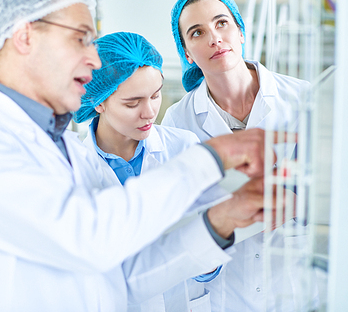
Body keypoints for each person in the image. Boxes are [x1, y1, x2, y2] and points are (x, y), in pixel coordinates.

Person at [0, 0, 282, 311]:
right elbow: (88, 236)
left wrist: (221, 222)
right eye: (80, 39)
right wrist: (208, 158)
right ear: (24, 36)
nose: (93, 61)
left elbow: (123, 277)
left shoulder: (67, 150)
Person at [162, 0, 317, 312]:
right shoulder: (179, 119)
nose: (215, 38)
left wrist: (300, 204)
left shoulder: (304, 98)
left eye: (222, 23)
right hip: (226, 291)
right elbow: (181, 210)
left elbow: (335, 188)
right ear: (187, 53)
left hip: (293, 279)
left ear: (240, 31)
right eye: (197, 32)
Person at [74, 31, 231, 311]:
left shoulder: (184, 148)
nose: (149, 112)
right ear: (99, 101)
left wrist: (207, 255)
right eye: (132, 103)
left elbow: (211, 252)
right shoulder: (74, 165)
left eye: (155, 96)